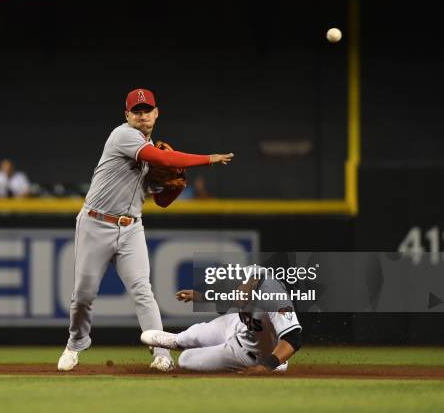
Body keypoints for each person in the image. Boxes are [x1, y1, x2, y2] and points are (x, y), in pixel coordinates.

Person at [57, 88, 234, 372]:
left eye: (146, 110)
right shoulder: (123, 135)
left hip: (131, 228)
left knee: (143, 291)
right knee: (83, 295)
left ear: (156, 113)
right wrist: (207, 158)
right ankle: (75, 343)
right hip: (95, 223)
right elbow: (164, 160)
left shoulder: (149, 154)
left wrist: (178, 182)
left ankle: (161, 354)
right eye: (136, 111)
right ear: (127, 115)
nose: (142, 116)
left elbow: (162, 200)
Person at [140, 272, 302, 374]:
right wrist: (201, 296)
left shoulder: (274, 298)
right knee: (194, 334)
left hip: (252, 352)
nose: (232, 299)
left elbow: (293, 339)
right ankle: (178, 340)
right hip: (241, 326)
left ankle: (278, 362)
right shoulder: (247, 279)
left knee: (185, 360)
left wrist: (266, 366)